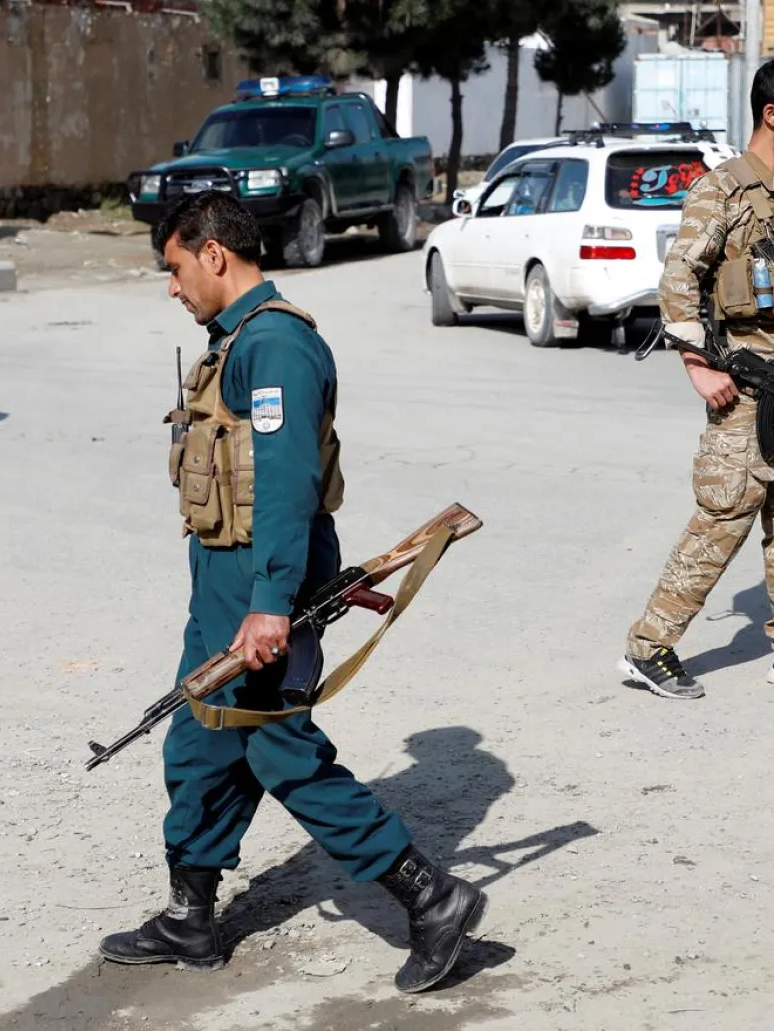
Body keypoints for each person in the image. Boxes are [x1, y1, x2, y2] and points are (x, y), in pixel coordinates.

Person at [97, 191, 488, 994]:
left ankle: (430, 895)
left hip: (260, 582)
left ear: (214, 253)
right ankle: (190, 914)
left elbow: (283, 482)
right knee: (200, 741)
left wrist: (272, 600)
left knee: (280, 749)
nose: (171, 287)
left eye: (174, 268)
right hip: (224, 586)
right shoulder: (234, 340)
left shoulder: (274, 346)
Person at [619, 59, 774, 700]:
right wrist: (698, 368)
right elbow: (678, 283)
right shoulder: (720, 191)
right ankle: (649, 647)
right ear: (773, 114)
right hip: (746, 387)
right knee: (723, 517)